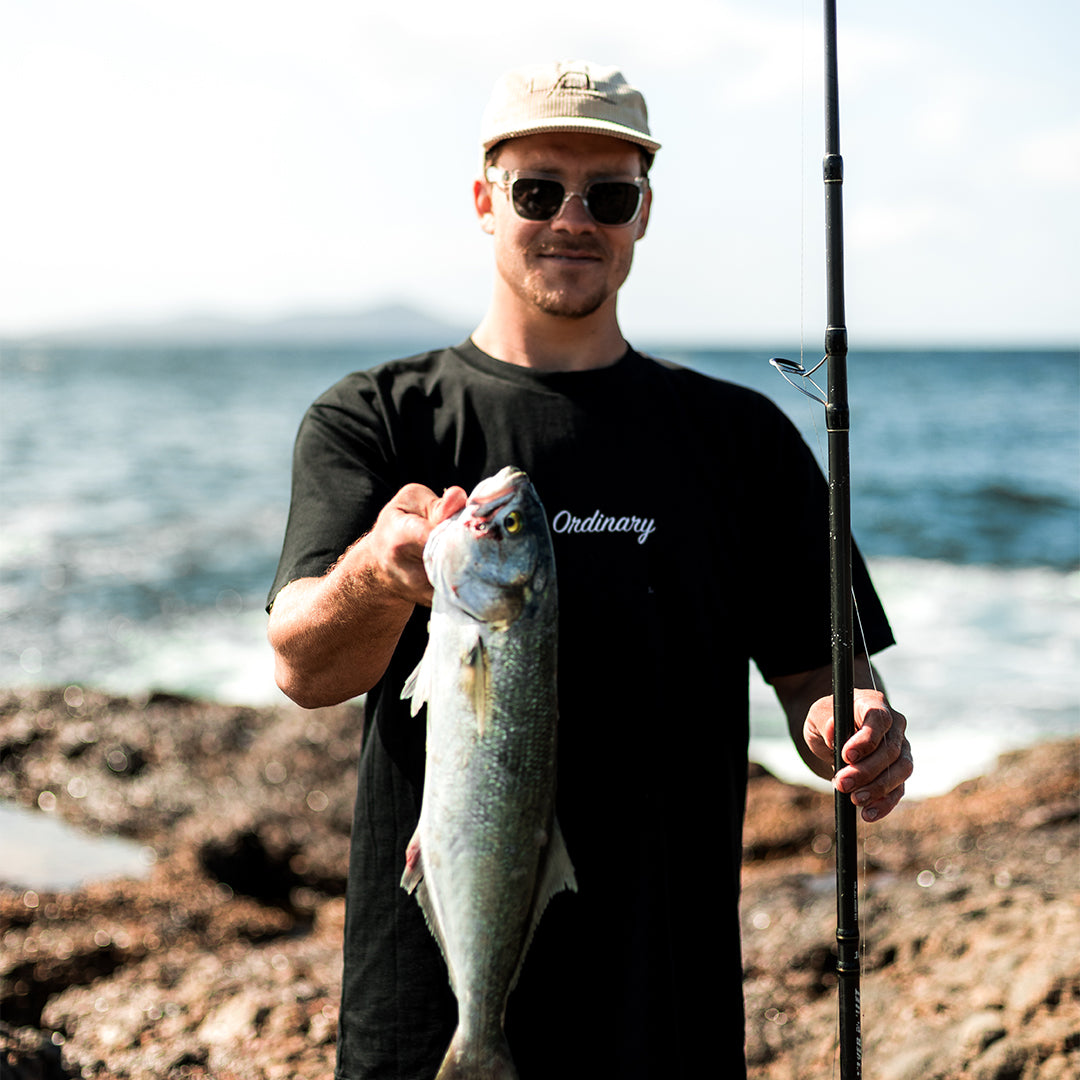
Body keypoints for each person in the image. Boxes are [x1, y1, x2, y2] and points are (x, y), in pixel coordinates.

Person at [267, 60, 912, 1080]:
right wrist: (383, 577)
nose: (573, 218)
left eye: (608, 196)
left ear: (643, 214)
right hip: (425, 1009)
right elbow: (304, 669)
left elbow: (814, 677)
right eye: (538, 190)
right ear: (485, 200)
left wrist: (855, 727)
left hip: (664, 1003)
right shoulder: (378, 419)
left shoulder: (741, 441)